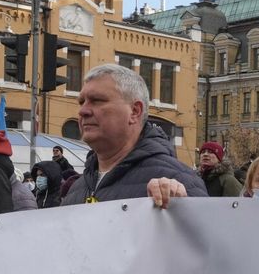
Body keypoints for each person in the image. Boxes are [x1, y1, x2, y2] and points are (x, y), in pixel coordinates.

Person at [62, 64, 206, 205]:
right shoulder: (77, 189)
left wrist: (180, 207)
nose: (83, 111)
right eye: (82, 102)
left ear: (135, 111)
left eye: (97, 101)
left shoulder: (176, 185)